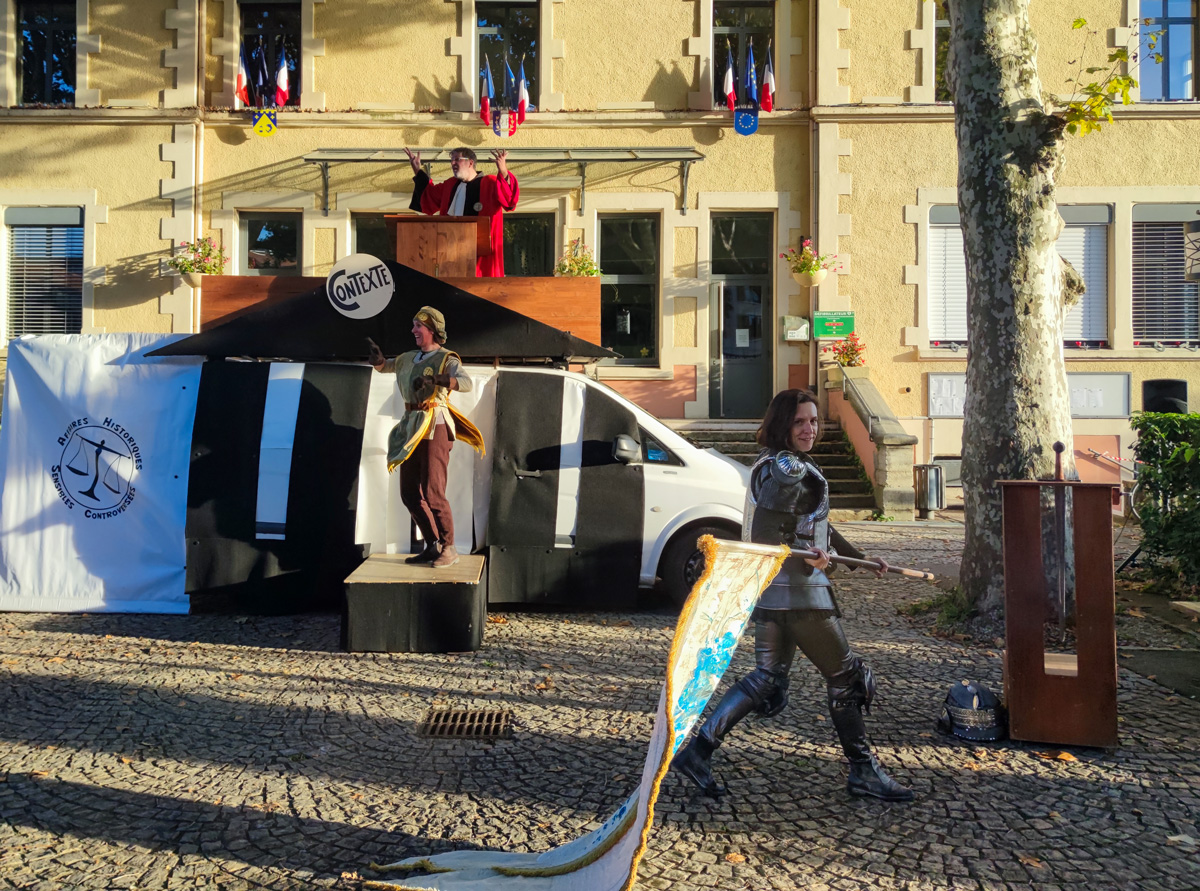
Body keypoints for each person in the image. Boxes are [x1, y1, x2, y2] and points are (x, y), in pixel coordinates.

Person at [672, 389, 914, 802]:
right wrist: (819, 561)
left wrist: (857, 560)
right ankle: (862, 772)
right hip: (802, 593)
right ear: (783, 424)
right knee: (846, 678)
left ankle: (698, 750)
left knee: (767, 679)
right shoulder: (787, 469)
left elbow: (815, 527)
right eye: (801, 422)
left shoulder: (784, 466)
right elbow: (770, 536)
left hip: (773, 591)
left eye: (814, 422)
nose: (810, 429)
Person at [366, 307, 484, 569]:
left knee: (433, 491)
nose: (413, 330)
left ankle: (449, 546)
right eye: (413, 325)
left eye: (418, 326)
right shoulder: (409, 357)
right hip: (411, 425)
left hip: (435, 424)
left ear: (432, 329)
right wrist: (377, 360)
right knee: (408, 492)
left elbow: (465, 383)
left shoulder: (446, 358)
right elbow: (386, 367)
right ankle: (432, 545)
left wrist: (440, 380)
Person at [404, 146, 520, 278]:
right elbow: (429, 196)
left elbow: (510, 200)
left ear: (470, 163)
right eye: (452, 160)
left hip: (482, 259)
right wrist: (417, 169)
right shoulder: (450, 185)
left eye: (457, 159)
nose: (452, 163)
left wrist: (503, 171)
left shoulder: (490, 183)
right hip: (450, 255)